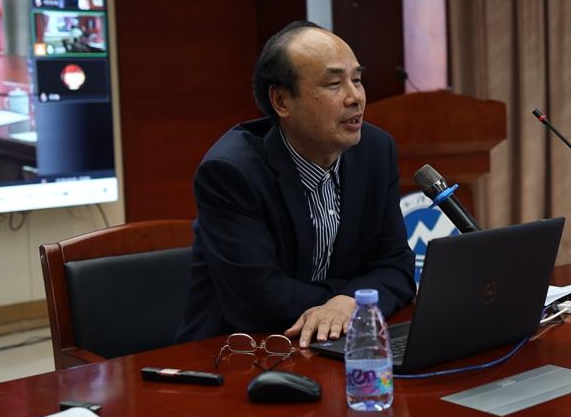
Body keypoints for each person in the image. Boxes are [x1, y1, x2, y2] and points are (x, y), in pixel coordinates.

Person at [175, 21, 416, 348]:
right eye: (334, 84)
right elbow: (259, 299)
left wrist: (348, 303)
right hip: (237, 352)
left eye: (357, 80)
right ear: (281, 101)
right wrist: (347, 300)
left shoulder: (376, 151)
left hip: (330, 345)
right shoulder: (232, 172)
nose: (355, 97)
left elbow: (397, 265)